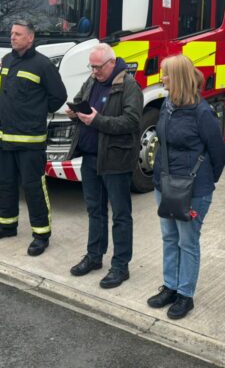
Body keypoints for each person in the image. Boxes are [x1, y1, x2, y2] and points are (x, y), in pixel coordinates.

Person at [146, 54, 225, 320]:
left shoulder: (202, 112)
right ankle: (170, 286)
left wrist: (204, 183)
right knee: (169, 238)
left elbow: (218, 154)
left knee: (187, 241)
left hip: (192, 190)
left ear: (177, 77)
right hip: (165, 184)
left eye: (165, 74)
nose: (161, 78)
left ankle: (185, 294)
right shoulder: (169, 104)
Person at [0, 20, 67, 256]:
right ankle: (6, 225)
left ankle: (41, 234)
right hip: (4, 138)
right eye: (12, 33)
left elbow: (58, 96)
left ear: (30, 37)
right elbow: (5, 93)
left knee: (33, 187)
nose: (13, 37)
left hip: (30, 140)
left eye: (18, 34)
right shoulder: (8, 61)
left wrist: (35, 111)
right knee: (4, 184)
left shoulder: (43, 65)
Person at [65, 43, 143, 288]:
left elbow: (131, 122)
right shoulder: (93, 80)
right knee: (95, 210)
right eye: (92, 66)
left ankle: (120, 266)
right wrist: (74, 111)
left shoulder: (129, 86)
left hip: (115, 160)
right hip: (90, 158)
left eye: (98, 67)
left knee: (120, 215)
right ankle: (94, 256)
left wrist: (97, 120)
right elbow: (80, 100)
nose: (94, 71)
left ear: (112, 63)